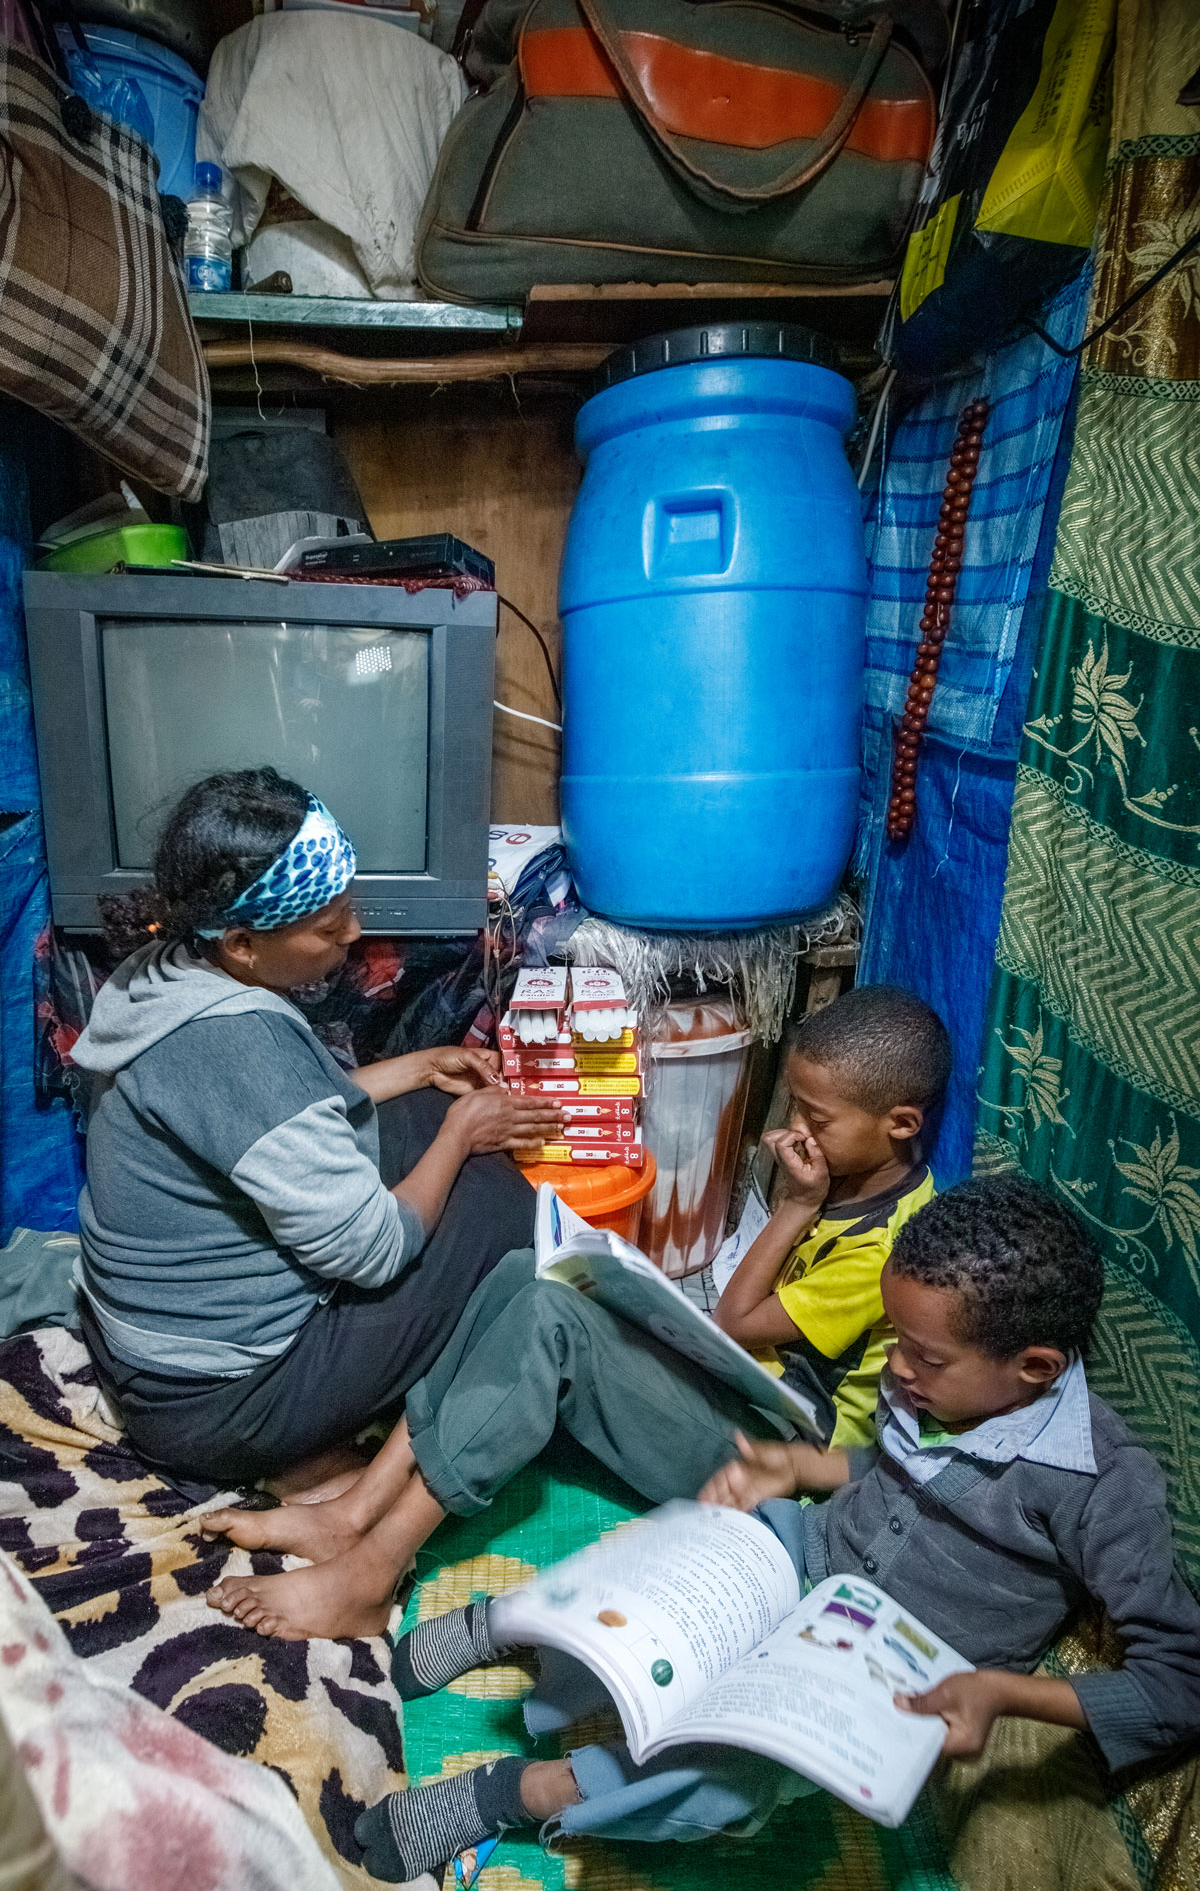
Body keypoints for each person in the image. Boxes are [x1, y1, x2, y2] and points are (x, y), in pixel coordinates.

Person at [355, 1175, 1200, 1881]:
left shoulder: (1104, 1486)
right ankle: (527, 1635)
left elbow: (1177, 1687)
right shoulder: (951, 1386)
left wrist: (1003, 1693)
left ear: (1037, 1369)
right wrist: (801, 1470)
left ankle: (520, 1793)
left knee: (723, 1781)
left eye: (924, 1357)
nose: (899, 1370)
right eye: (896, 1340)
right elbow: (895, 1471)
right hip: (812, 1551)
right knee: (675, 1558)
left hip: (887, 1670)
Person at [201, 985, 949, 1637]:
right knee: (527, 1271)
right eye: (794, 1109)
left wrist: (793, 1207)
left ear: (901, 1124)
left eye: (817, 1120)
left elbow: (736, 1321)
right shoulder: (845, 1179)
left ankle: (373, 1572)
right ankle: (356, 1508)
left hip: (768, 1464)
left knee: (554, 1326)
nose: (794, 1133)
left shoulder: (893, 1247)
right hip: (744, 1393)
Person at [70, 768, 562, 1491]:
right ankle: (332, 1465)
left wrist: (422, 1067)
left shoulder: (168, 967)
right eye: (330, 928)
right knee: (502, 1215)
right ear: (242, 942)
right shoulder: (239, 1041)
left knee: (422, 1115)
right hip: (218, 1403)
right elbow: (376, 1251)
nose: (355, 933)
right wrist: (461, 1133)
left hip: (151, 1354)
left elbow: (272, 1121)